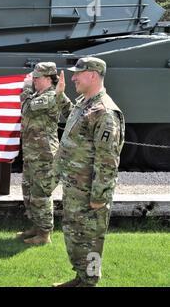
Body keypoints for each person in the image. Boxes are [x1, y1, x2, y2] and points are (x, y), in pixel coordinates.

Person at [53, 57, 125, 287]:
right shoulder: (85, 103)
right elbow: (74, 121)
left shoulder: (105, 112)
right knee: (75, 238)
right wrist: (60, 94)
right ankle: (80, 278)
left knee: (92, 241)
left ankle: (90, 280)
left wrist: (99, 197)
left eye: (78, 73)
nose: (73, 77)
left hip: (90, 195)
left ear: (93, 75)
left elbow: (107, 161)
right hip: (75, 189)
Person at [16, 62, 73, 245]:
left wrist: (25, 87)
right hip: (31, 153)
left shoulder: (49, 96)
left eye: (36, 77)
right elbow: (70, 111)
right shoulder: (42, 94)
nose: (33, 80)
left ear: (48, 78)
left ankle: (44, 234)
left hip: (44, 154)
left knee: (41, 193)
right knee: (28, 191)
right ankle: (36, 226)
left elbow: (26, 108)